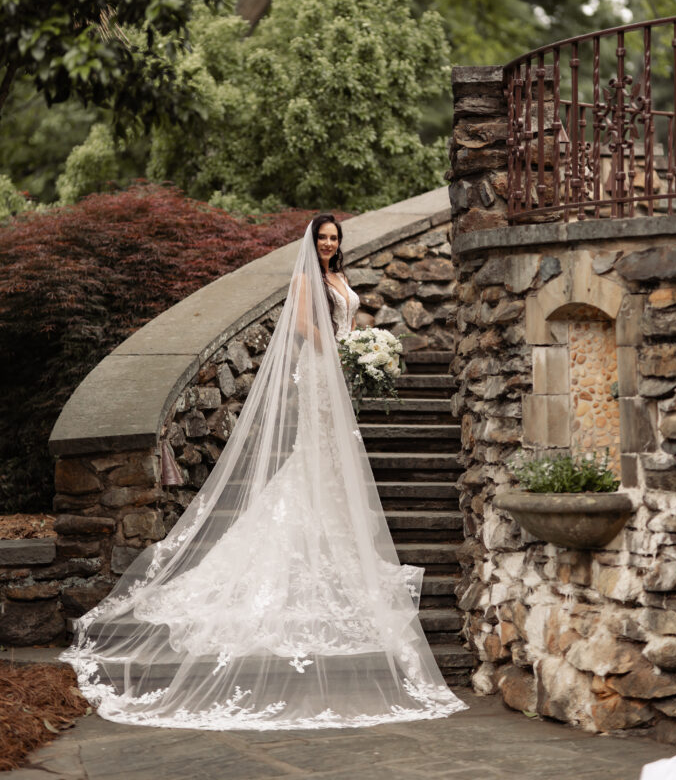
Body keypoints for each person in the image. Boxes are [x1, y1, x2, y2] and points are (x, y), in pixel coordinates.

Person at [61, 215, 467, 729]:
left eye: (334, 238)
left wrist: (365, 347)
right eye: (322, 237)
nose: (328, 243)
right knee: (315, 455)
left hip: (336, 371)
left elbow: (346, 320)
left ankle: (333, 535)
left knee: (334, 462)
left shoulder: (341, 278)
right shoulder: (305, 279)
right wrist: (340, 352)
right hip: (318, 371)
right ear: (311, 242)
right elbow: (300, 326)